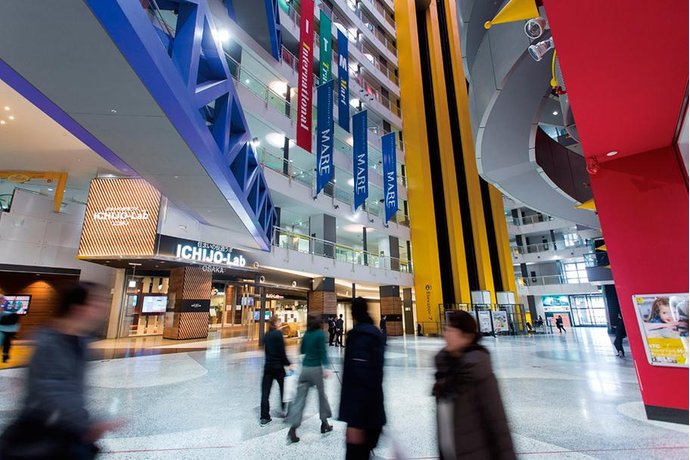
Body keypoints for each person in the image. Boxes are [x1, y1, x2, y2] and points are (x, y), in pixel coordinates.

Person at [0, 282, 123, 459]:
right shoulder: (50, 343)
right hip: (45, 432)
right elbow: (52, 391)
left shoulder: (80, 341)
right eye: (97, 302)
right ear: (77, 308)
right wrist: (87, 425)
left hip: (65, 429)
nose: (104, 308)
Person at [433, 310, 516, 460]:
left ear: (467, 336)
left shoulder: (479, 372)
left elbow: (498, 426)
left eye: (451, 330)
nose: (445, 334)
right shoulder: (445, 372)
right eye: (446, 329)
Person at [339, 298, 386, 460]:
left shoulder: (359, 336)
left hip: (361, 416)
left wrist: (355, 422)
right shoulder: (376, 334)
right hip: (374, 410)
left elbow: (360, 377)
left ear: (353, 314)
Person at [286, 315, 333, 443]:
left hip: (305, 369)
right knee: (321, 396)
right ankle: (324, 423)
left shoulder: (306, 334)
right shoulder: (320, 334)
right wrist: (326, 367)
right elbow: (323, 352)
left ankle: (293, 428)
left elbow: (301, 350)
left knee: (300, 399)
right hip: (316, 369)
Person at [260, 316, 292, 426]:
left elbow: (264, 348)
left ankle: (264, 416)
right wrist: (288, 363)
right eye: (279, 322)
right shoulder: (278, 334)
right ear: (275, 323)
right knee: (284, 389)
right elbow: (282, 352)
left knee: (265, 392)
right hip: (278, 367)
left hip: (268, 367)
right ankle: (285, 410)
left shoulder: (267, 334)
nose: (280, 323)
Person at [0, 293, 21, 363]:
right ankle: (5, 356)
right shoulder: (5, 307)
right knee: (6, 342)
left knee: (6, 342)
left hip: (6, 329)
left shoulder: (6, 307)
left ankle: (5, 356)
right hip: (8, 330)